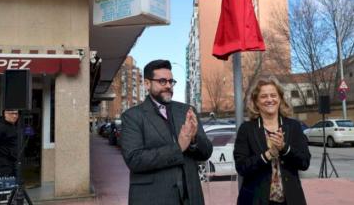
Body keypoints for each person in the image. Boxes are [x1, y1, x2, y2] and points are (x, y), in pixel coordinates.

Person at [120, 60, 213, 205]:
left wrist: (193, 140)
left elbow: (206, 152)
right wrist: (178, 148)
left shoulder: (187, 111)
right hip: (153, 198)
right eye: (162, 81)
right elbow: (135, 160)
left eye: (171, 81)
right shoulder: (132, 116)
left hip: (191, 198)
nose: (168, 86)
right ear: (147, 84)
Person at [233, 78, 311, 205]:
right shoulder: (246, 129)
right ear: (256, 101)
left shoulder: (293, 126)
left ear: (280, 99)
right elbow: (241, 167)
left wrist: (284, 148)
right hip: (255, 200)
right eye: (263, 96)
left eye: (273, 95)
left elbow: (304, 162)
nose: (269, 100)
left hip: (290, 200)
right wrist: (267, 155)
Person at [0, 110, 19, 178]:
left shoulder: (11, 125)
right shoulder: (1, 127)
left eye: (16, 113)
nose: (15, 116)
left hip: (11, 163)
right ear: (5, 114)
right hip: (3, 165)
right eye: (12, 113)